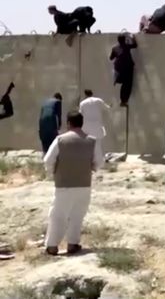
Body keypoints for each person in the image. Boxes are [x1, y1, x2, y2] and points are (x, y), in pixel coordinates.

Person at [43, 110, 104, 256]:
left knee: (58, 215)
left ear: (68, 123)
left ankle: (52, 246)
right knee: (77, 215)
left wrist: (54, 171)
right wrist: (91, 167)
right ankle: (72, 244)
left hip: (63, 184)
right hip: (84, 184)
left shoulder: (60, 140)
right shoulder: (92, 140)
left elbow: (48, 160)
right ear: (82, 123)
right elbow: (99, 162)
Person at [78, 90, 110, 155]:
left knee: (87, 143)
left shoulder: (82, 103)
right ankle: (100, 157)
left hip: (86, 126)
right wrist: (110, 106)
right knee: (98, 143)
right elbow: (107, 108)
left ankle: (88, 156)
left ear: (85, 95)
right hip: (97, 125)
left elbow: (80, 114)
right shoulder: (99, 100)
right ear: (92, 94)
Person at [109, 33, 137, 107]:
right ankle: (124, 100)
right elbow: (135, 45)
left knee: (124, 84)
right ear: (124, 40)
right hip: (127, 68)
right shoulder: (126, 46)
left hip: (119, 68)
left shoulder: (114, 48)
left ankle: (123, 100)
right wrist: (133, 38)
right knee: (127, 85)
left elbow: (111, 58)